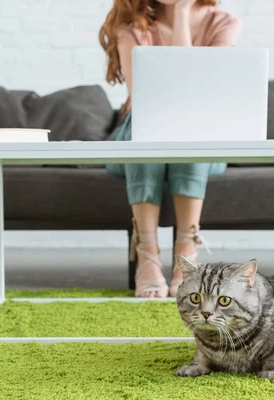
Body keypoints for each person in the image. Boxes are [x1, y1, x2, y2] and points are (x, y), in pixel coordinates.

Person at [99, 0, 242, 298]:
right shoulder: (133, 27)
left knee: (189, 125)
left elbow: (192, 91)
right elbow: (141, 97)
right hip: (137, 136)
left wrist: (180, 13)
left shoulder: (224, 23)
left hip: (202, 143)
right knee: (147, 123)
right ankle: (147, 253)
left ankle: (186, 253)